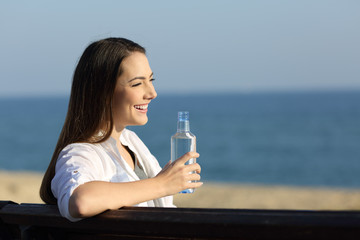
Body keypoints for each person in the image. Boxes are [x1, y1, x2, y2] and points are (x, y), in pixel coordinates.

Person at [40, 37, 202, 222]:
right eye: (137, 83)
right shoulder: (81, 152)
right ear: (103, 91)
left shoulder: (131, 141)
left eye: (151, 80)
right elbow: (81, 202)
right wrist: (162, 184)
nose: (152, 93)